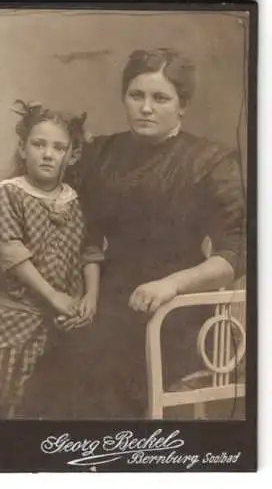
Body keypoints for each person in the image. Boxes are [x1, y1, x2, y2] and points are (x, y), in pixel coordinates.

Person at [24, 47, 246, 419]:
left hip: (175, 313)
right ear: (124, 97)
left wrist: (171, 284)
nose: (146, 108)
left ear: (182, 105)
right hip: (104, 298)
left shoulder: (210, 160)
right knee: (47, 367)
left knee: (101, 370)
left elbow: (237, 250)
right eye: (136, 95)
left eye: (160, 98)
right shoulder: (100, 153)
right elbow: (81, 230)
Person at [0, 101, 103, 419]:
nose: (47, 154)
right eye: (38, 144)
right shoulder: (8, 194)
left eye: (58, 148)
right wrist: (53, 296)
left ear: (71, 155)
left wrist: (91, 296)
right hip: (10, 319)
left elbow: (89, 249)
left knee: (46, 404)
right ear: (22, 148)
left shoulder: (74, 199)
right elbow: (10, 252)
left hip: (59, 323)